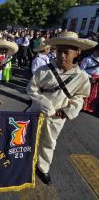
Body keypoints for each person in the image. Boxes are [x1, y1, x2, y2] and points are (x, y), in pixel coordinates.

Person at [26, 31, 97, 185]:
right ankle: (26, 163)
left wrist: (67, 111)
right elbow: (32, 89)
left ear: (76, 53)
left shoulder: (81, 77)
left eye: (66, 52)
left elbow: (80, 97)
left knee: (49, 142)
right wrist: (47, 106)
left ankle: (43, 168)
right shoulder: (43, 70)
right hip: (36, 112)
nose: (62, 56)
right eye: (59, 51)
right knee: (30, 138)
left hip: (58, 117)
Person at [80, 44, 99, 113]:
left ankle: (91, 107)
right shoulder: (87, 59)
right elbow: (81, 70)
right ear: (95, 51)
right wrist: (90, 77)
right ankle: (83, 106)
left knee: (94, 94)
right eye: (97, 51)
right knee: (86, 93)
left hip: (97, 79)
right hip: (88, 78)